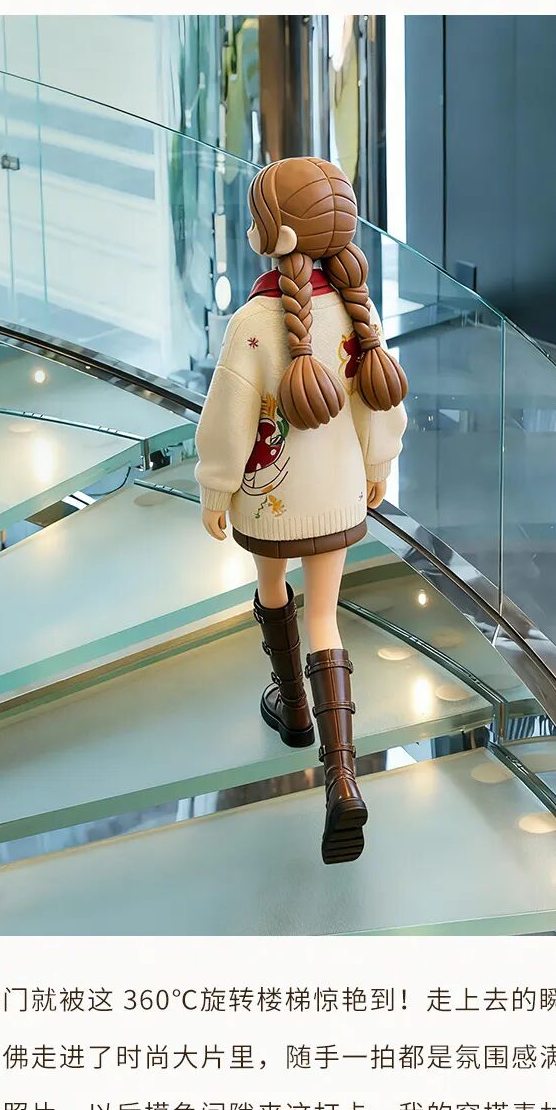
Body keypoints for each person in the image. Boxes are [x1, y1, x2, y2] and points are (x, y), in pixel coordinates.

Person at [195, 157, 408, 864]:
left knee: (272, 588)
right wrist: (377, 466)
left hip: (270, 502)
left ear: (276, 235)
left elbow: (228, 419)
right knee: (326, 618)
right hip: (339, 494)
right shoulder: (355, 311)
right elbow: (380, 402)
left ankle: (292, 712)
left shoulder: (252, 324)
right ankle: (342, 778)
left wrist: (216, 487)